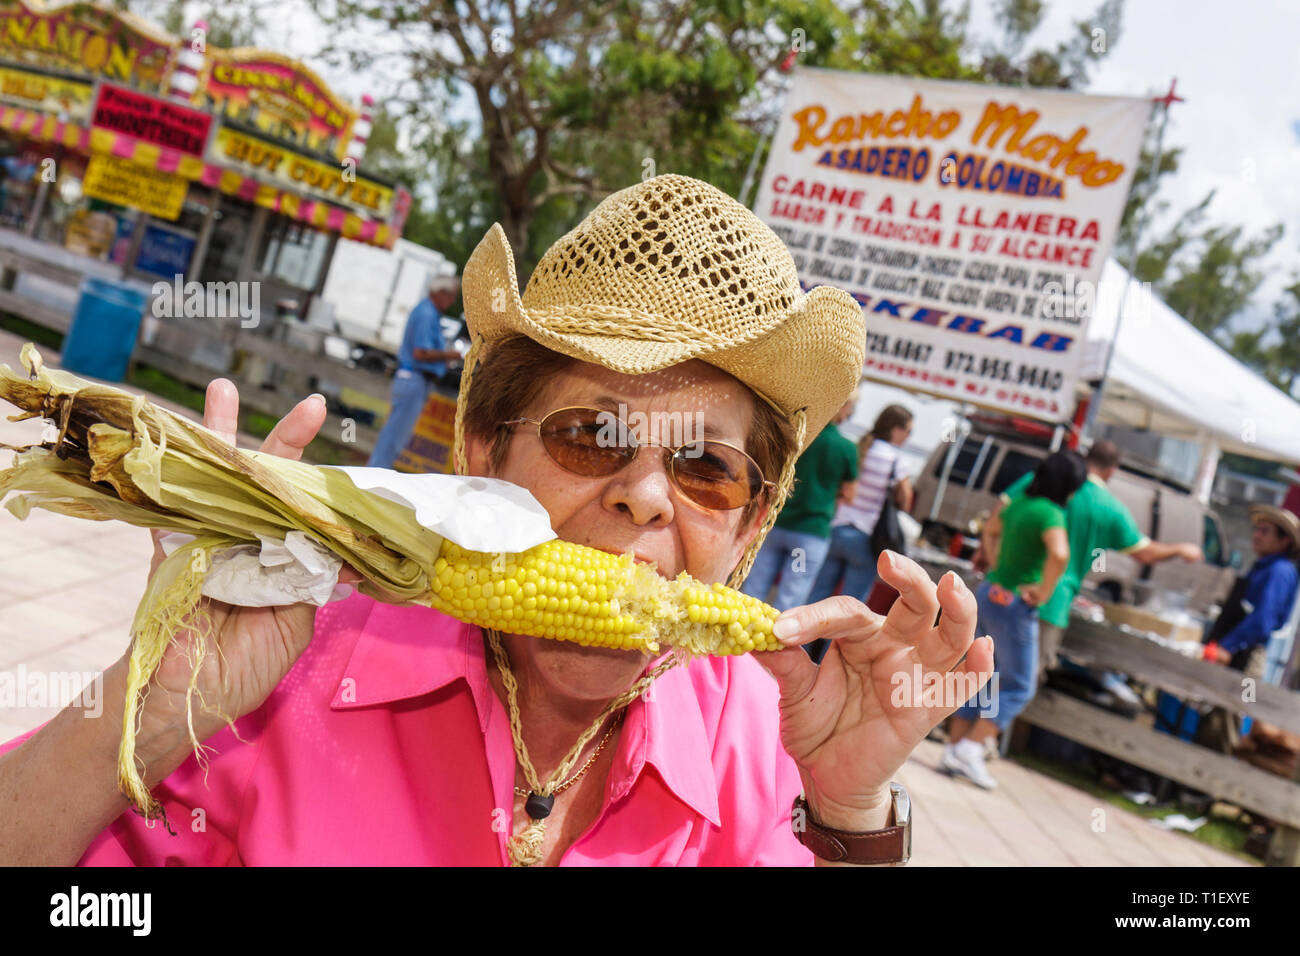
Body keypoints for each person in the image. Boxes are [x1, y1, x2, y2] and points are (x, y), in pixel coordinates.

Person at [0, 175, 992, 866]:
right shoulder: (282, 670)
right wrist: (157, 700)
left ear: (752, 523)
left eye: (704, 467)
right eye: (589, 436)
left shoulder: (754, 734)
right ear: (482, 453)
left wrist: (848, 808)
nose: (645, 495)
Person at [980, 439, 1204, 682]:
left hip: (1004, 587)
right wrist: (1182, 548)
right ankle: (985, 719)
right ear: (1112, 470)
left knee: (981, 672)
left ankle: (968, 717)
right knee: (1013, 688)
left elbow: (999, 512)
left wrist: (991, 557)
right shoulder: (1109, 508)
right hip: (1049, 601)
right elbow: (1145, 553)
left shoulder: (1043, 481)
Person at [941, 449, 1087, 790]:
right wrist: (1045, 590)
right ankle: (970, 749)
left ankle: (953, 749)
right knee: (1020, 685)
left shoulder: (1019, 502)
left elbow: (990, 530)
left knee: (982, 675)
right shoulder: (1051, 513)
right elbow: (1061, 553)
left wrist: (994, 562)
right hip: (1016, 605)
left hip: (990, 593)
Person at [804, 404, 914, 659]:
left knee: (818, 597)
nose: (908, 437)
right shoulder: (897, 459)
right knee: (850, 609)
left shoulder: (859, 447)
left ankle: (800, 649)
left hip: (837, 530)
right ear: (896, 430)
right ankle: (827, 662)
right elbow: (905, 499)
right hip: (865, 539)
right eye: (908, 431)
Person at [741, 395, 859, 613]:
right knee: (790, 597)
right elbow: (850, 495)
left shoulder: (798, 438)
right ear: (843, 408)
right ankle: (776, 646)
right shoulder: (847, 448)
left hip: (776, 523)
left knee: (753, 591)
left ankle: (735, 642)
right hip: (809, 533)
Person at [366, 274, 464, 468]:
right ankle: (373, 478)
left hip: (414, 380)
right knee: (394, 437)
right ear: (440, 292)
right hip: (414, 379)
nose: (452, 301)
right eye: (451, 295)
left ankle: (375, 475)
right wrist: (449, 356)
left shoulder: (428, 312)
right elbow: (421, 352)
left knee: (395, 435)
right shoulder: (427, 314)